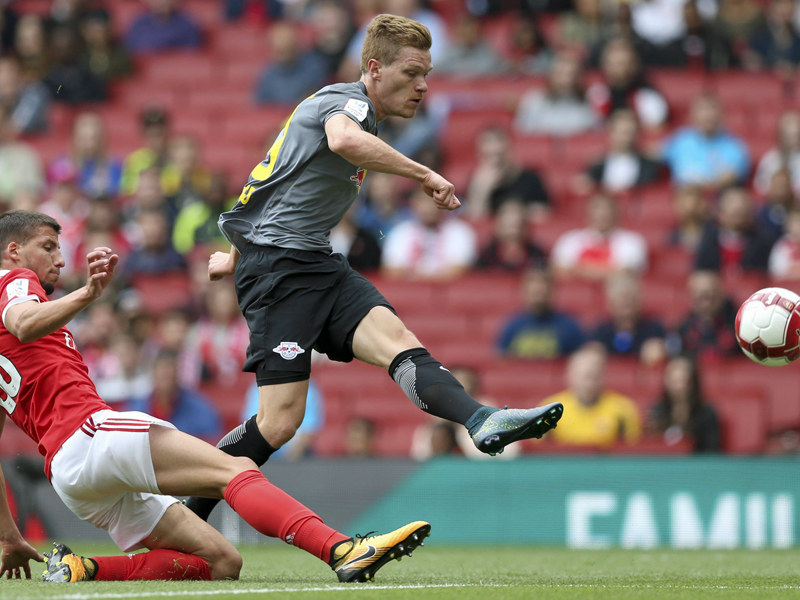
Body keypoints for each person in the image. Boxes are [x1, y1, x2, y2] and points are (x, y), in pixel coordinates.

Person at [184, 14, 564, 521]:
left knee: (399, 341)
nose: (423, 86)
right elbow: (341, 141)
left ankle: (480, 420)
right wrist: (424, 173)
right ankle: (187, 510)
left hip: (310, 262)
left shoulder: (350, 111)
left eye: (427, 74)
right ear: (374, 68)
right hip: (279, 272)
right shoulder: (349, 104)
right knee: (278, 423)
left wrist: (232, 253)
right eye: (411, 73)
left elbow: (272, 178)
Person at [0, 209, 430, 583]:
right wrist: (88, 294)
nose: (59, 259)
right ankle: (341, 550)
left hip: (68, 474)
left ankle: (84, 568)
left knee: (222, 561)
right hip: (90, 434)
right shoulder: (13, 280)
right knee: (233, 470)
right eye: (48, 247)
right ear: (14, 251)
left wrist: (9, 536)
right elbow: (22, 322)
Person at [541, 343, 642, 448]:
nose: (588, 383)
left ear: (603, 376)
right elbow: (538, 449)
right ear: (569, 376)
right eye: (582, 376)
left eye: (593, 376)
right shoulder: (550, 410)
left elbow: (632, 452)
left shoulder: (623, 409)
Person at [496, 267, 585, 360]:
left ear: (552, 292)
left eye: (542, 292)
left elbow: (579, 360)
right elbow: (502, 361)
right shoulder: (512, 326)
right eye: (535, 293)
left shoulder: (569, 327)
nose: (538, 298)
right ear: (524, 292)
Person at [647, 355, 721, 453]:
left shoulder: (706, 414)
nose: (678, 387)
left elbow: (711, 452)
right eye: (674, 381)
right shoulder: (658, 411)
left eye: (682, 381)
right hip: (664, 465)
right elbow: (651, 448)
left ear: (692, 382)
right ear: (666, 381)